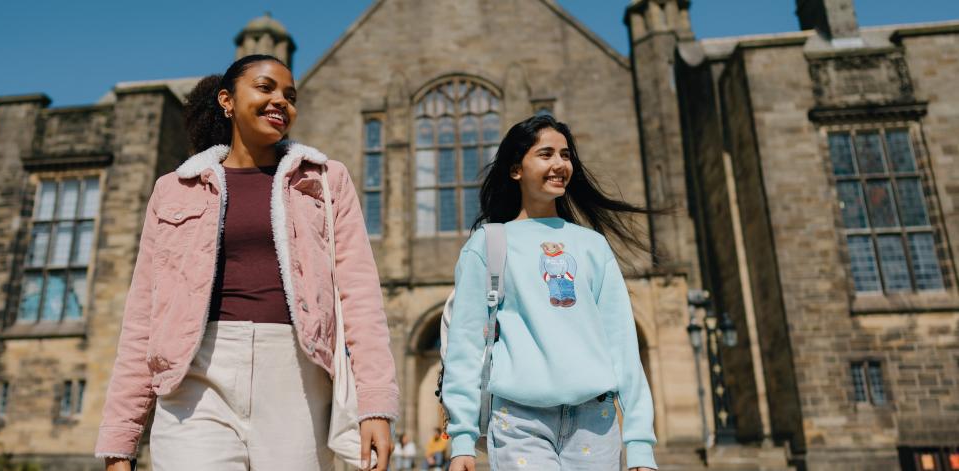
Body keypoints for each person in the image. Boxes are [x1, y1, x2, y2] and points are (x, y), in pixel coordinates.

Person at [95, 54, 399, 470]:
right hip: (196, 379)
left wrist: (376, 405)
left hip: (296, 377)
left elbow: (360, 296)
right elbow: (143, 318)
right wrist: (119, 442)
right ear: (227, 100)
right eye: (265, 87)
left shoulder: (326, 180)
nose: (281, 101)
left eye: (290, 96)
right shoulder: (175, 189)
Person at [443, 115, 658, 470]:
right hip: (518, 421)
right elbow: (464, 347)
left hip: (595, 422)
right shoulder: (488, 245)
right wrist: (462, 439)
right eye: (546, 154)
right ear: (516, 169)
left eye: (566, 155)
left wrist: (639, 443)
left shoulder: (593, 246)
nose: (560, 164)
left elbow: (622, 345)